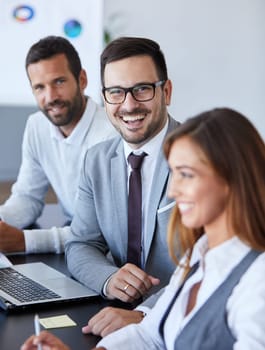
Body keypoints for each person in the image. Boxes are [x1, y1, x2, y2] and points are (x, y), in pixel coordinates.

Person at [21, 107, 265, 350]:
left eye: (186, 175)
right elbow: (149, 336)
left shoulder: (257, 281)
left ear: (232, 179)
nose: (173, 191)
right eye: (174, 173)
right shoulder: (198, 256)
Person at [64, 36, 179, 332]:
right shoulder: (97, 161)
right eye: (116, 92)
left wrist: (146, 315)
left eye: (141, 89)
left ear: (165, 91)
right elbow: (81, 244)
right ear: (104, 98)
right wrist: (109, 278)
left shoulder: (203, 156)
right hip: (115, 315)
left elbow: (216, 265)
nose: (129, 105)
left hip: (180, 320)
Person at [0, 35, 116, 254]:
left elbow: (104, 231)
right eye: (40, 87)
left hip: (107, 256)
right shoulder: (37, 125)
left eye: (59, 82)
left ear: (82, 80)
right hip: (72, 243)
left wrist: (26, 241)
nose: (50, 96)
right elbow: (28, 197)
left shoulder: (110, 136)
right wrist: (2, 220)